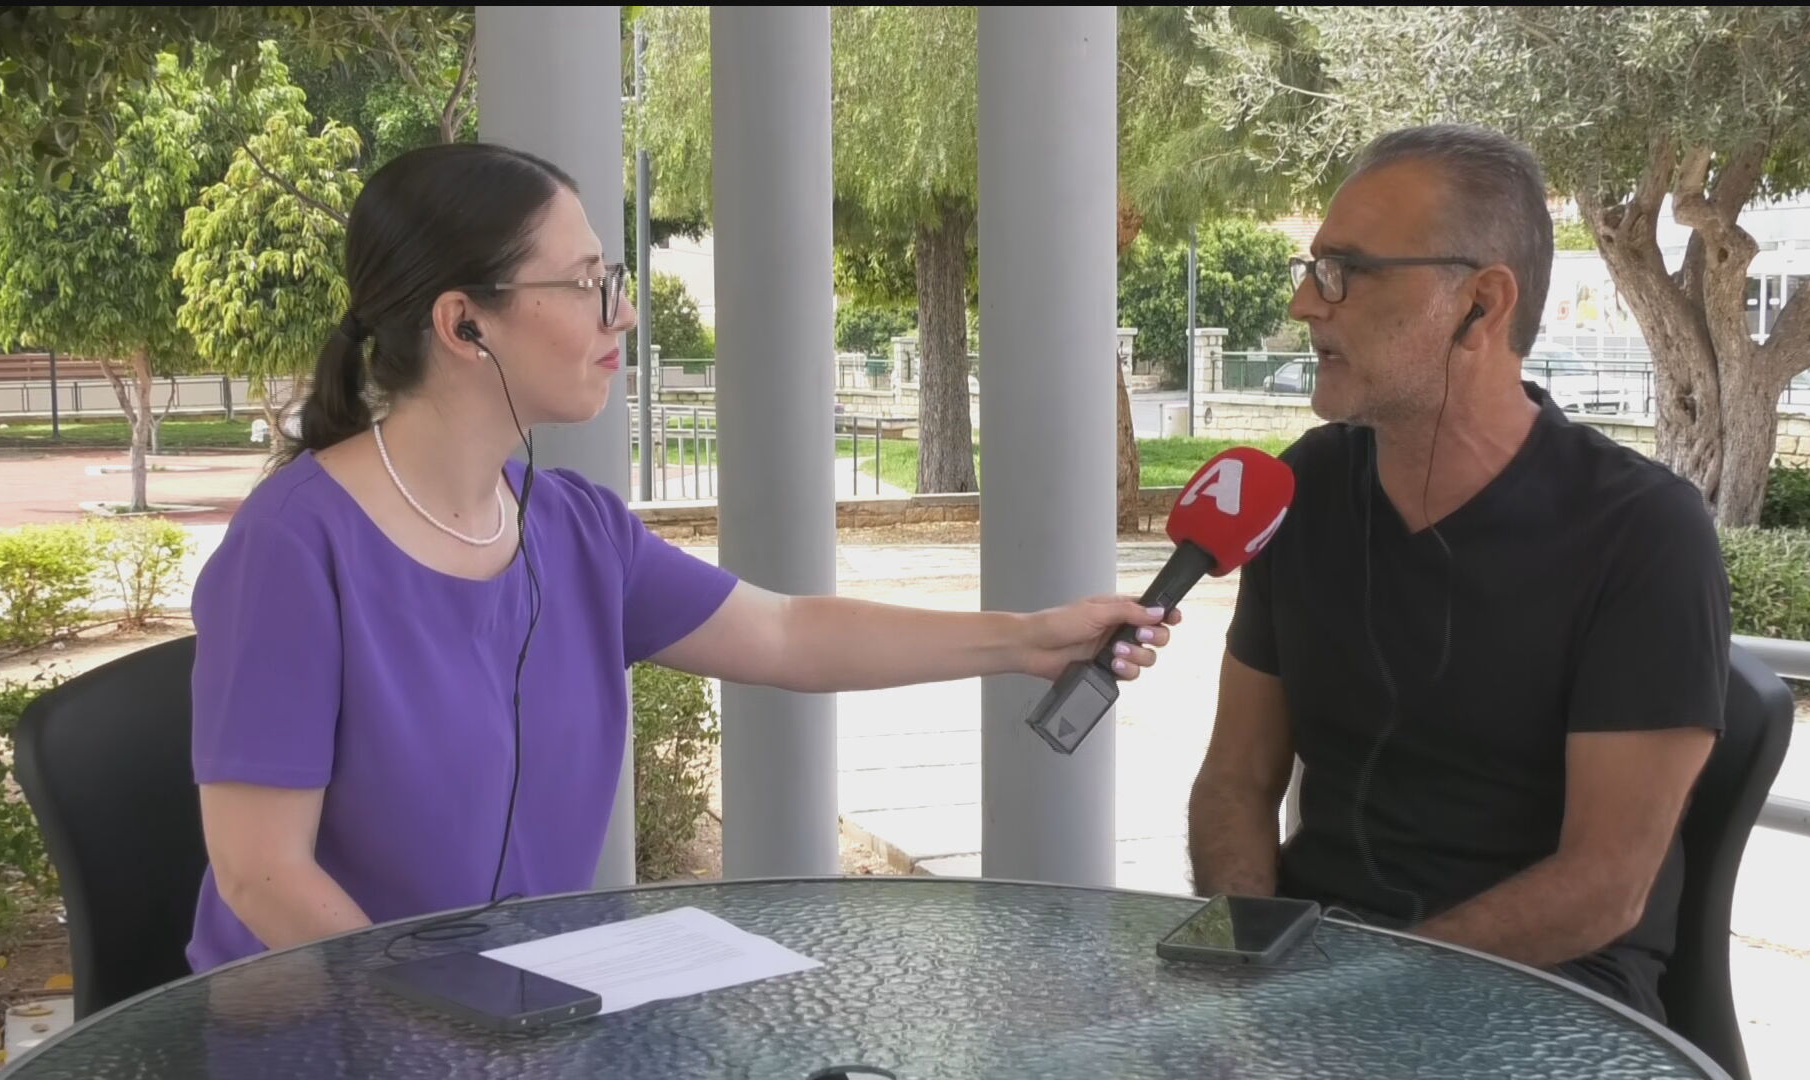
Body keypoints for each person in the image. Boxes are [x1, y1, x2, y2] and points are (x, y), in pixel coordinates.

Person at [188, 142, 1180, 972]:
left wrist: (1028, 640)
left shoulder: (576, 529)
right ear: (463, 323)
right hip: (324, 1036)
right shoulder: (293, 546)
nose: (622, 313)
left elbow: (787, 633)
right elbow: (261, 876)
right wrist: (435, 1022)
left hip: (523, 1027)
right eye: (588, 285)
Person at [1185, 124, 1729, 1021]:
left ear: (1481, 304)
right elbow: (1236, 779)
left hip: (1549, 1001)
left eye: (1345, 271)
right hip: (1310, 978)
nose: (1305, 304)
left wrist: (1357, 993)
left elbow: (1605, 884)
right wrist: (1250, 951)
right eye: (1312, 268)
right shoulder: (1303, 490)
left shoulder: (1642, 532)